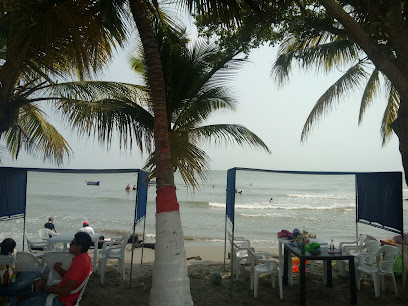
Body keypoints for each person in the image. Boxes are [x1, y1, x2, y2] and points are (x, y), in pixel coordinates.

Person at [22, 232, 93, 306]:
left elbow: (64, 292)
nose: (70, 244)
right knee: (26, 296)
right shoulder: (84, 258)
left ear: (79, 247)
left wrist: (44, 287)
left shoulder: (80, 263)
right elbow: (70, 279)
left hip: (63, 300)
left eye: (73, 243)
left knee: (24, 302)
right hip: (62, 293)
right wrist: (60, 270)